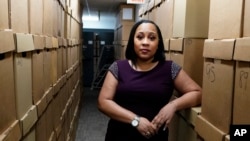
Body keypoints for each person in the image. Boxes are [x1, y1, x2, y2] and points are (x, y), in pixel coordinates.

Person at [97, 19, 202, 141]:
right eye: (140, 37)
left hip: (155, 137)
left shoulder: (170, 68)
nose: (145, 42)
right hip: (119, 136)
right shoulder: (118, 67)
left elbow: (198, 93)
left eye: (152, 38)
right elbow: (103, 102)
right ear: (132, 42)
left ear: (158, 44)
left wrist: (173, 106)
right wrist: (135, 120)